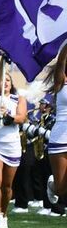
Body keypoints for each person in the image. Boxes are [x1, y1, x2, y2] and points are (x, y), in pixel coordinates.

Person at [0, 59, 27, 228]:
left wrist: (9, 117)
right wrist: (2, 59)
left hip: (12, 146)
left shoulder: (19, 99)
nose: (4, 82)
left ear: (12, 83)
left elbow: (22, 117)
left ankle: (5, 213)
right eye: (2, 80)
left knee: (7, 186)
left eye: (8, 80)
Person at [43, 45, 67, 209]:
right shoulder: (61, 81)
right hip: (60, 137)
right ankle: (53, 186)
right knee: (61, 189)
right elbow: (60, 63)